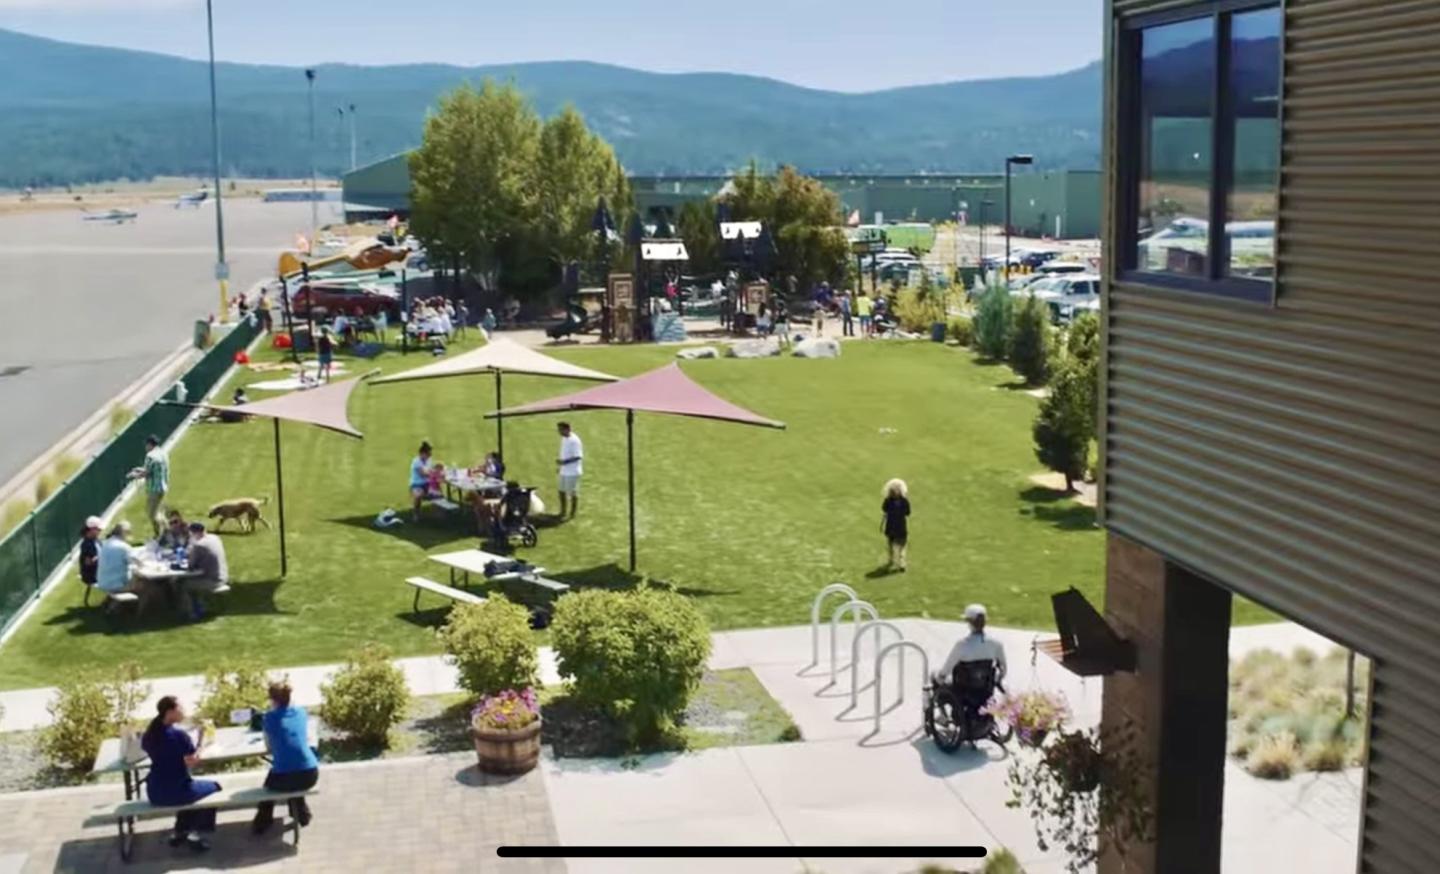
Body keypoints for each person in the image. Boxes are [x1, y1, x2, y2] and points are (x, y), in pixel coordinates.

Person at [143, 696, 221, 852]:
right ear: (170, 712)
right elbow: (193, 761)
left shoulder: (150, 734)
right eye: (181, 708)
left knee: (192, 790)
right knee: (214, 787)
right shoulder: (178, 736)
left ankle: (181, 831)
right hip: (176, 791)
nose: (184, 711)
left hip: (154, 791)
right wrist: (201, 742)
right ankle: (195, 834)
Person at [252, 681, 318, 835]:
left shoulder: (269, 718)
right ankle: (302, 814)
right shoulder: (301, 713)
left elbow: (269, 748)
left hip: (286, 776)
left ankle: (263, 821)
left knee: (271, 783)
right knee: (292, 774)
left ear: (272, 700)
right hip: (310, 773)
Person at [938, 604, 1008, 684]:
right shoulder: (996, 644)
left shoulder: (962, 644)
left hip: (962, 689)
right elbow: (1003, 670)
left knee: (934, 675)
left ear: (969, 622)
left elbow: (946, 670)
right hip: (985, 690)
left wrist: (940, 676)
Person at [183, 522, 227, 621]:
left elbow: (190, 565)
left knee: (183, 585)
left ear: (193, 533)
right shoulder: (215, 538)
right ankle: (200, 606)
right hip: (223, 575)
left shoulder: (199, 545)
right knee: (192, 582)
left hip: (212, 580)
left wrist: (191, 547)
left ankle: (192, 613)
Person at [133, 435, 169, 538]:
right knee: (159, 512)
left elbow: (147, 473)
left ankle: (159, 534)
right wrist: (139, 469)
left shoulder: (150, 456)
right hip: (163, 487)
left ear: (149, 444)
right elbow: (153, 469)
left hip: (154, 489)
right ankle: (167, 531)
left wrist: (135, 475)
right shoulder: (163, 453)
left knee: (152, 514)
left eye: (146, 445)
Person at [96, 521, 142, 599]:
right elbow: (138, 563)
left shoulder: (106, 543)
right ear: (125, 533)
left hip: (103, 582)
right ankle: (142, 609)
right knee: (146, 585)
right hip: (116, 585)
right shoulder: (123, 547)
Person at [881, 479, 911, 572]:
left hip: (891, 526)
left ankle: (892, 560)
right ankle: (901, 563)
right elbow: (908, 512)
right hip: (900, 526)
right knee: (902, 545)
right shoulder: (904, 501)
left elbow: (884, 509)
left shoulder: (888, 500)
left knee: (891, 544)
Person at [555, 422, 583, 519]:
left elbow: (578, 457)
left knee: (572, 493)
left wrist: (564, 463)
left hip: (572, 472)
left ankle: (572, 513)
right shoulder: (564, 438)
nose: (559, 432)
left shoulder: (574, 441)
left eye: (560, 429)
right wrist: (560, 467)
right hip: (564, 471)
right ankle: (562, 512)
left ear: (567, 429)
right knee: (561, 491)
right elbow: (564, 453)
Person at [410, 441, 434, 521]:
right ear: (422, 453)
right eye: (428, 454)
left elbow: (431, 470)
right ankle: (416, 514)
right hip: (417, 484)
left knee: (438, 493)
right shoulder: (416, 462)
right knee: (418, 495)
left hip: (427, 484)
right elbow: (423, 474)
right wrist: (435, 474)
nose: (429, 456)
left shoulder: (429, 460)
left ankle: (439, 514)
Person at [78, 516, 103, 594]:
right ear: (92, 529)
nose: (100, 531)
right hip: (91, 575)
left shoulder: (97, 540)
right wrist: (101, 558)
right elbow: (88, 563)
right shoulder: (86, 545)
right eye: (98, 529)